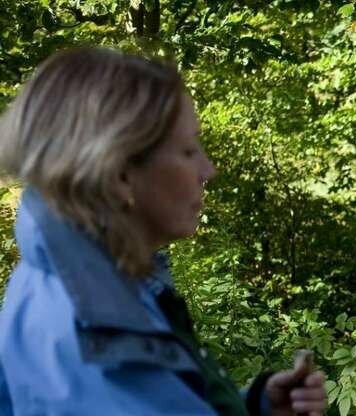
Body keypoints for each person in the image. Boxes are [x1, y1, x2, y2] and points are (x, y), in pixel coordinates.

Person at [0, 47, 328, 415]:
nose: (208, 170)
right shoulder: (100, 336)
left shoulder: (76, 277)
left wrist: (256, 406)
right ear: (119, 173)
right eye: (189, 151)